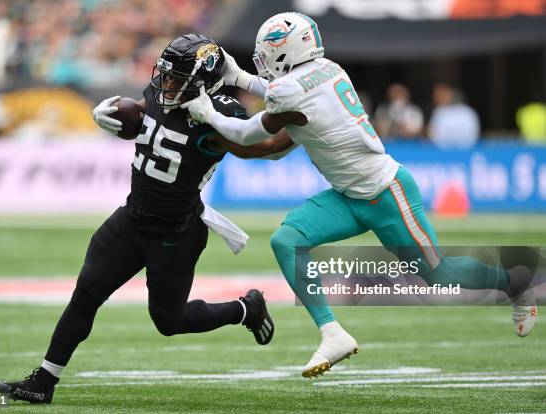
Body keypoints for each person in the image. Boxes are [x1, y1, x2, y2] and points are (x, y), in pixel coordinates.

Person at [181, 13, 538, 378]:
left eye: (268, 51)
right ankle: (331, 333)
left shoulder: (292, 89)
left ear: (287, 50)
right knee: (287, 240)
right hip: (349, 195)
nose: (265, 59)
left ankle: (515, 283)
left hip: (385, 192)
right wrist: (237, 76)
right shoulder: (327, 69)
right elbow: (277, 99)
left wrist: (208, 111)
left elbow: (248, 135)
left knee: (438, 273)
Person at [0, 34, 294, 404]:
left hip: (176, 232)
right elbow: (140, 113)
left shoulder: (221, 116)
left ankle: (245, 309)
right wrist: (111, 115)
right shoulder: (159, 92)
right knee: (85, 294)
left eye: (176, 77)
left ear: (204, 81)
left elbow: (263, 147)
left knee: (170, 322)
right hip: (131, 218)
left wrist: (296, 116)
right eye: (165, 74)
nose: (166, 84)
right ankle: (44, 381)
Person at [428, 83, 480, 149]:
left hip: (465, 151)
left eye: (442, 95)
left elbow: (473, 133)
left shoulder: (467, 112)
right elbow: (433, 135)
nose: (437, 99)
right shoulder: (439, 112)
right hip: (442, 153)